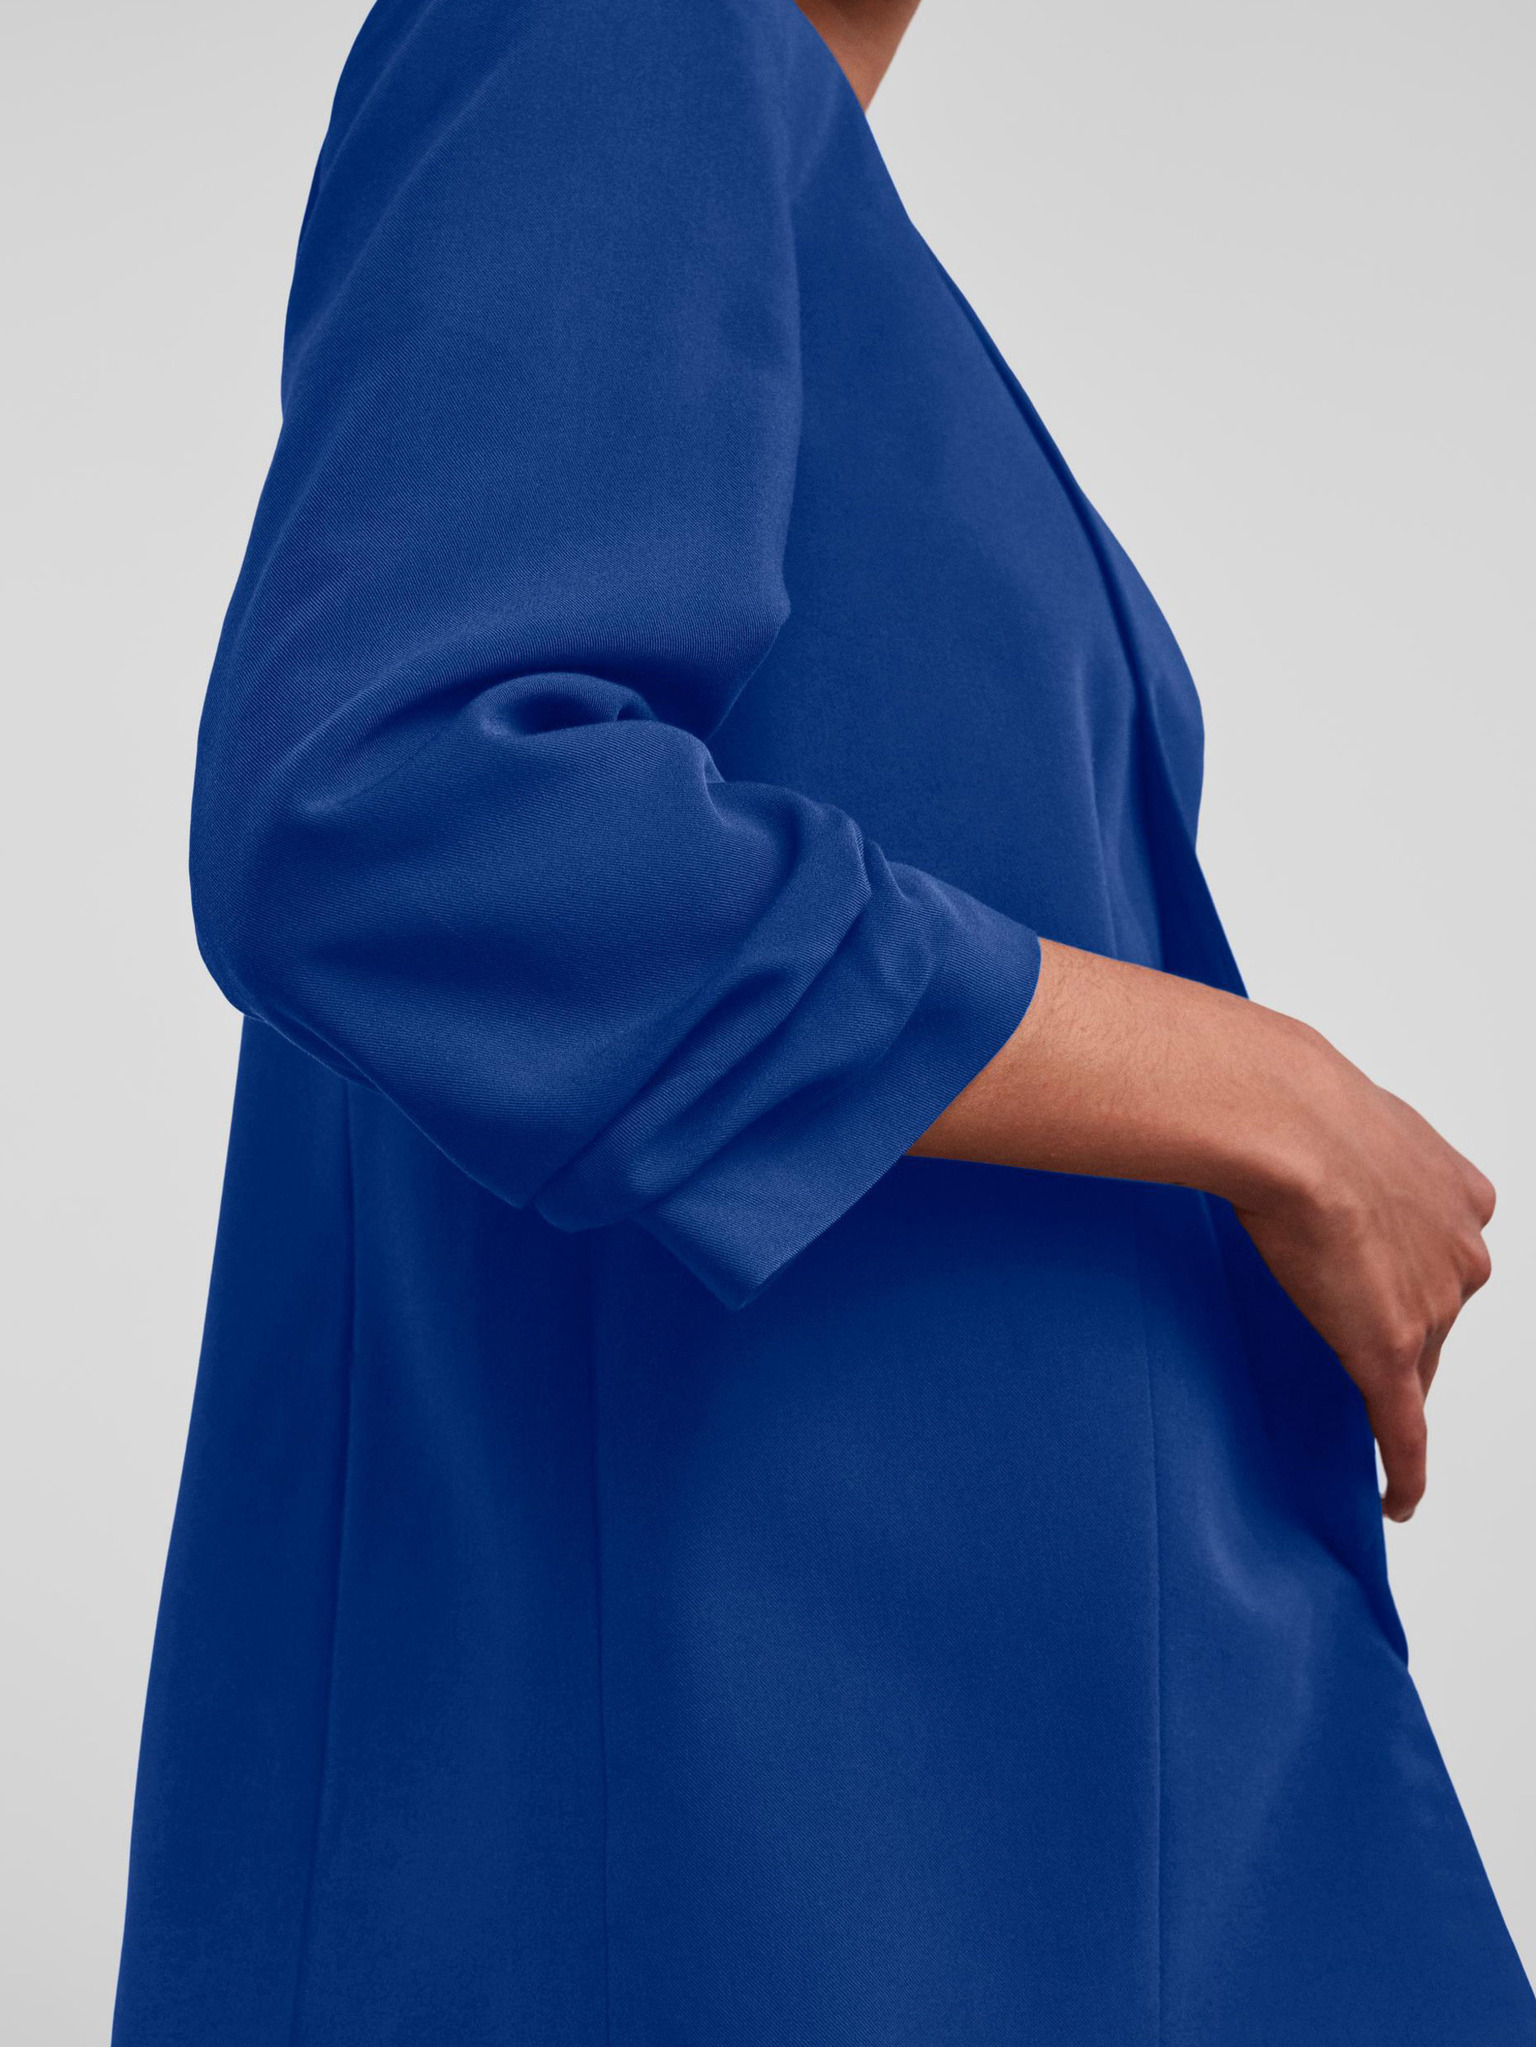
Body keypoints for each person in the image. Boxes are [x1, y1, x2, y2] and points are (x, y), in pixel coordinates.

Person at [113, 1, 1536, 2042]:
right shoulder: (613, 35)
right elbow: (397, 803)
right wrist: (1271, 1098)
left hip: (1039, 1811)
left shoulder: (796, 193)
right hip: (772, 1845)